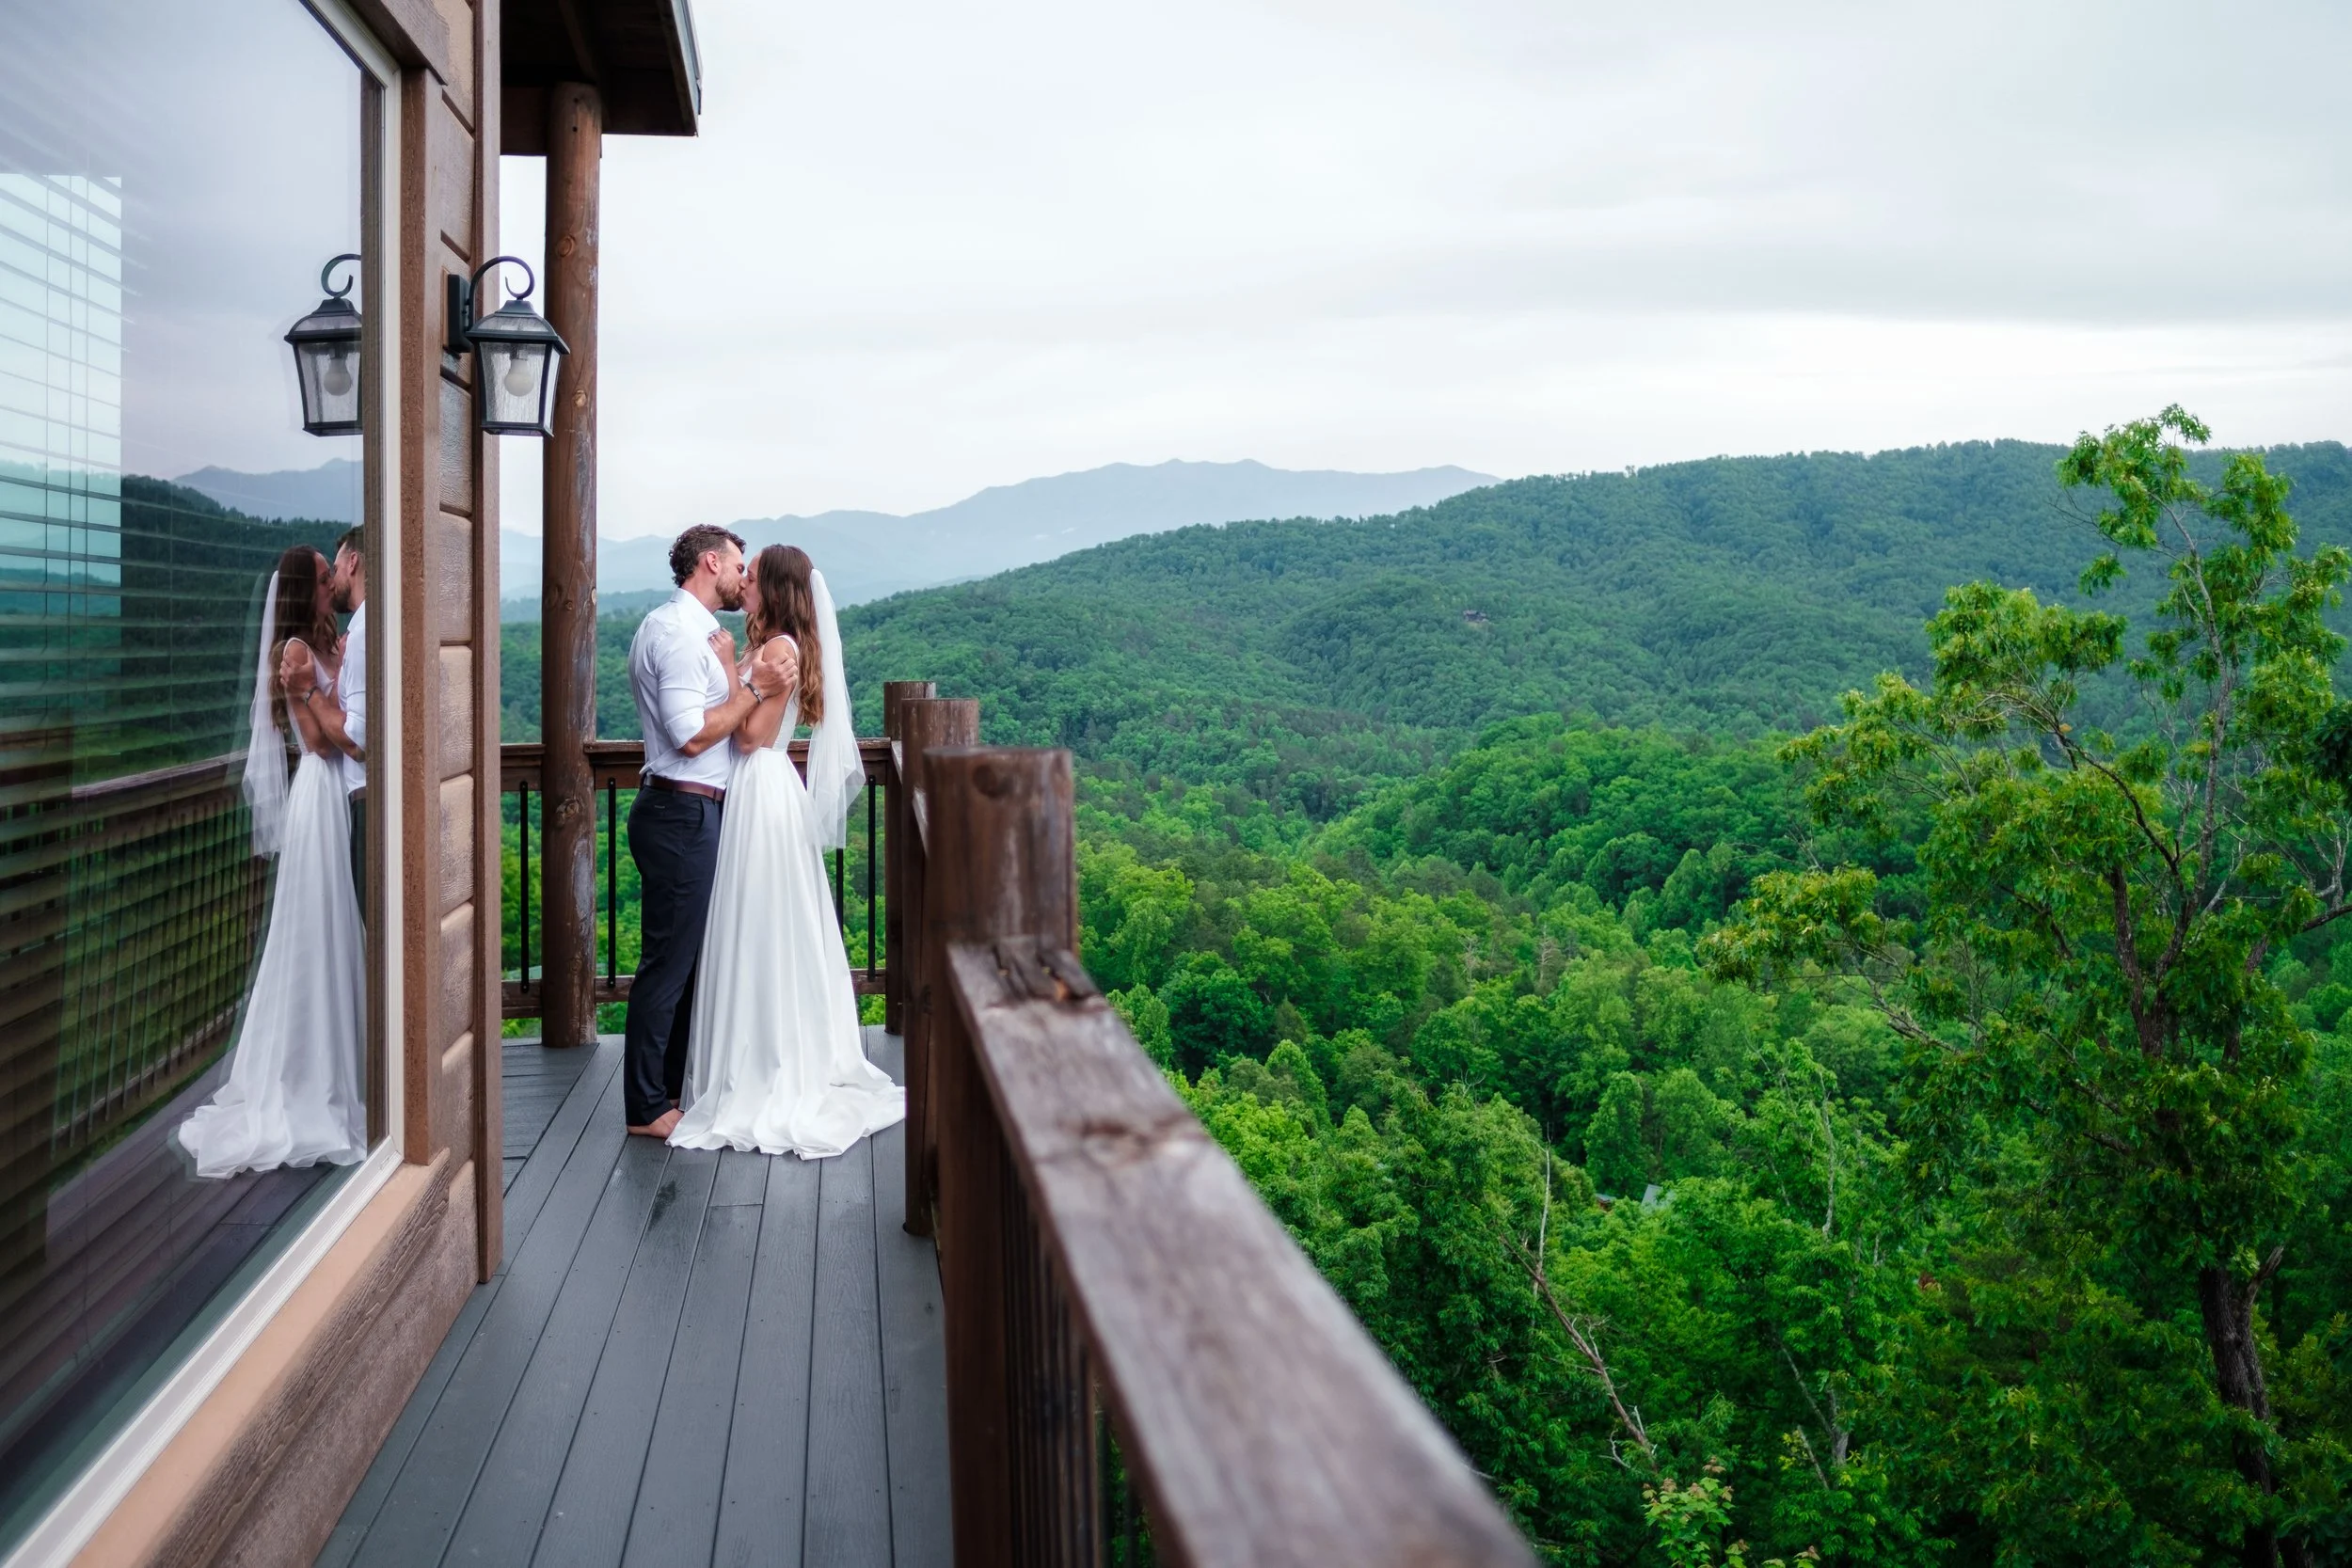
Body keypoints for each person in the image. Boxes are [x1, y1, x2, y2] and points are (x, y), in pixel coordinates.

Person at [668, 546, 903, 1158]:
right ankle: (761, 1045)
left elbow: (751, 736)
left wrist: (728, 671)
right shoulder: (773, 644)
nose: (743, 582)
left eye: (752, 575)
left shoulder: (778, 651)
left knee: (761, 922)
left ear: (773, 587)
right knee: (761, 923)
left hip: (763, 790)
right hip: (762, 791)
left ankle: (767, 1058)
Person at [177, 546, 367, 1178]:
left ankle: (344, 1063)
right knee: (312, 924)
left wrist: (323, 687)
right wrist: (312, 692)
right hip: (317, 786)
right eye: (320, 579)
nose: (327, 586)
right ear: (299, 588)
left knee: (340, 924)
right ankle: (301, 1074)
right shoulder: (293, 647)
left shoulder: (330, 639)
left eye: (328, 577)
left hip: (339, 789)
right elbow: (315, 738)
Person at [621, 525, 791, 1137]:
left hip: (694, 812)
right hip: (679, 813)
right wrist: (749, 687)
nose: (743, 577)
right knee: (668, 962)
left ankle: (667, 1090)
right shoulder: (675, 632)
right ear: (709, 562)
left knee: (687, 962)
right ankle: (645, 1105)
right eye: (738, 565)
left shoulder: (696, 632)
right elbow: (689, 733)